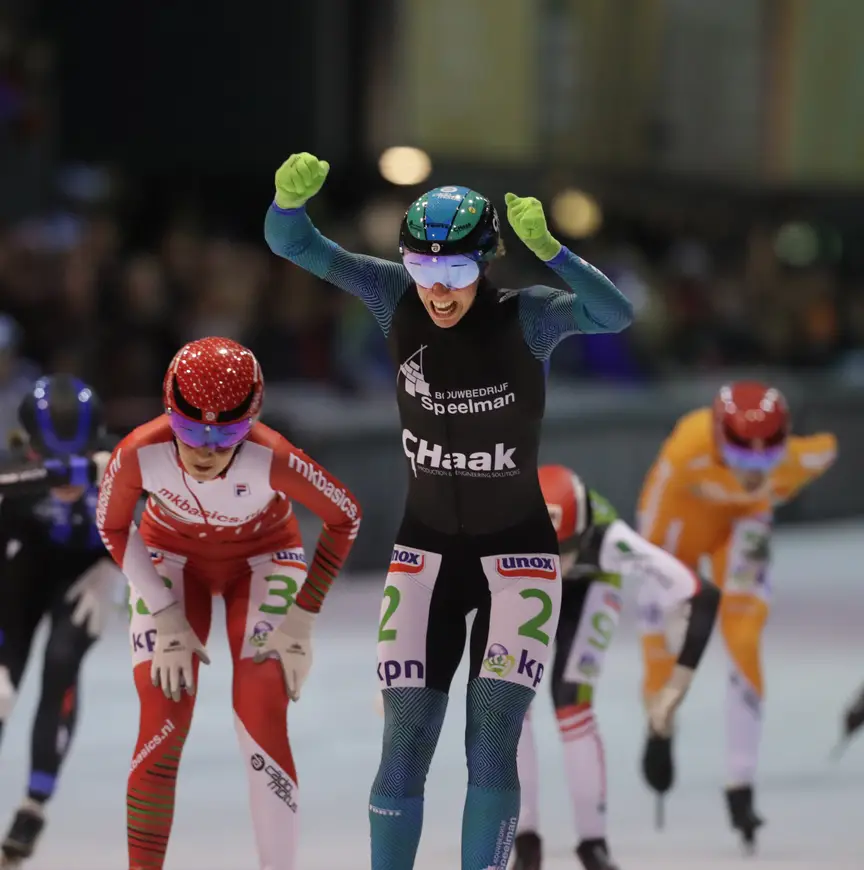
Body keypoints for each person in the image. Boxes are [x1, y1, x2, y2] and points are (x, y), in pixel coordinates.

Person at [264, 152, 634, 870]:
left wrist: (554, 252)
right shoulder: (391, 293)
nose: (437, 288)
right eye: (422, 266)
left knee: (490, 741)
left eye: (458, 271)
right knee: (403, 743)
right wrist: (286, 203)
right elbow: (292, 244)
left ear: (487, 263)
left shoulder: (528, 316)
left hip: (518, 558)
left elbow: (614, 316)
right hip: (425, 554)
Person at [94, 336, 362, 870]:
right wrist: (165, 613)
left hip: (262, 559)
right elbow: (112, 527)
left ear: (253, 421)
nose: (206, 450)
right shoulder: (137, 452)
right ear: (168, 412)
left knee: (262, 708)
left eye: (228, 434)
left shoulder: (273, 455)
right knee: (162, 716)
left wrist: (303, 618)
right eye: (190, 430)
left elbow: (345, 517)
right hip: (172, 560)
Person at [635, 381, 836, 850]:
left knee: (743, 637)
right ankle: (660, 727)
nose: (753, 472)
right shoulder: (687, 449)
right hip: (677, 531)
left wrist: (740, 780)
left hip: (743, 526)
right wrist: (660, 719)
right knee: (666, 644)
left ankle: (740, 781)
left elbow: (827, 448)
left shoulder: (796, 462)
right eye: (742, 458)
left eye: (767, 462)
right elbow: (650, 532)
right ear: (718, 440)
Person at [513, 465, 720, 870]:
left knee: (572, 703)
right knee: (510, 702)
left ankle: (593, 844)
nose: (553, 568)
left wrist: (675, 688)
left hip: (593, 583)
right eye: (543, 554)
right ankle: (524, 839)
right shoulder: (499, 524)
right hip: (521, 581)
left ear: (585, 534)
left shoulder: (611, 539)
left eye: (563, 551)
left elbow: (703, 594)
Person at [0, 374, 121, 866]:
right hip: (22, 574)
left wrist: (115, 568)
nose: (68, 476)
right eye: (52, 461)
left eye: (80, 458)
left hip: (88, 576)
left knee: (61, 661)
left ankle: (34, 806)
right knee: (0, 687)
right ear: (29, 448)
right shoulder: (11, 478)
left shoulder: (124, 465)